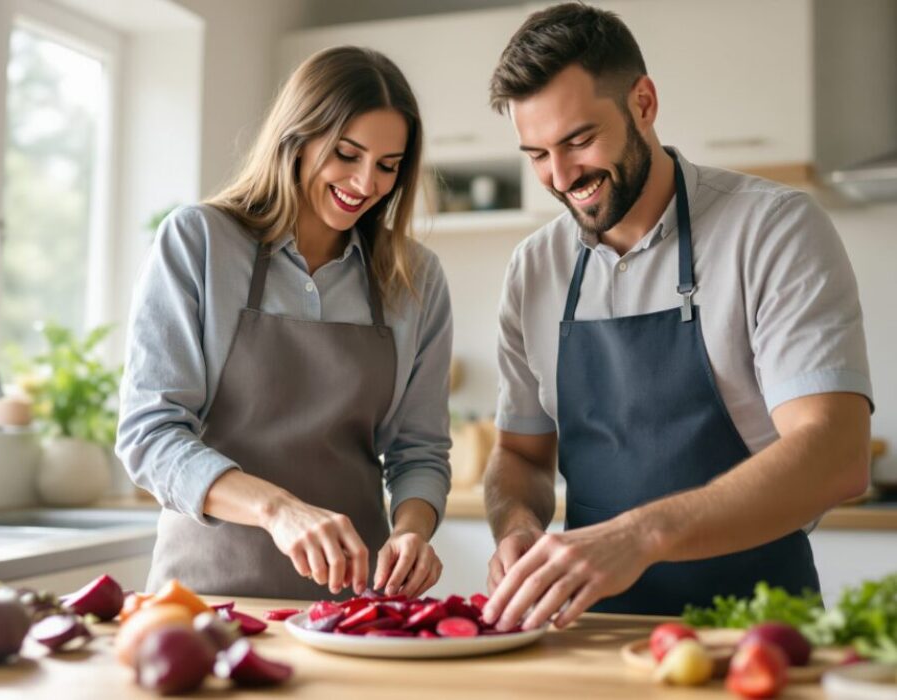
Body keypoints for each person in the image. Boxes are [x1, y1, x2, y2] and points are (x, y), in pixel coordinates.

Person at [479, 3, 873, 629]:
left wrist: (641, 536)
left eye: (579, 141)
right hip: (592, 634)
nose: (561, 176)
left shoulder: (771, 230)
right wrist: (517, 525)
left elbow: (836, 454)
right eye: (537, 154)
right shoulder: (535, 268)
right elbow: (521, 457)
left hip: (756, 634)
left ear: (643, 103)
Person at [117, 46, 452, 601]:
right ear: (297, 136)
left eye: (388, 165)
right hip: (202, 599)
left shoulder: (415, 277)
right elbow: (150, 436)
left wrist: (412, 530)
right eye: (347, 154)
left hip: (349, 609)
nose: (365, 182)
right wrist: (278, 510)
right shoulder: (199, 241)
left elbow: (419, 451)